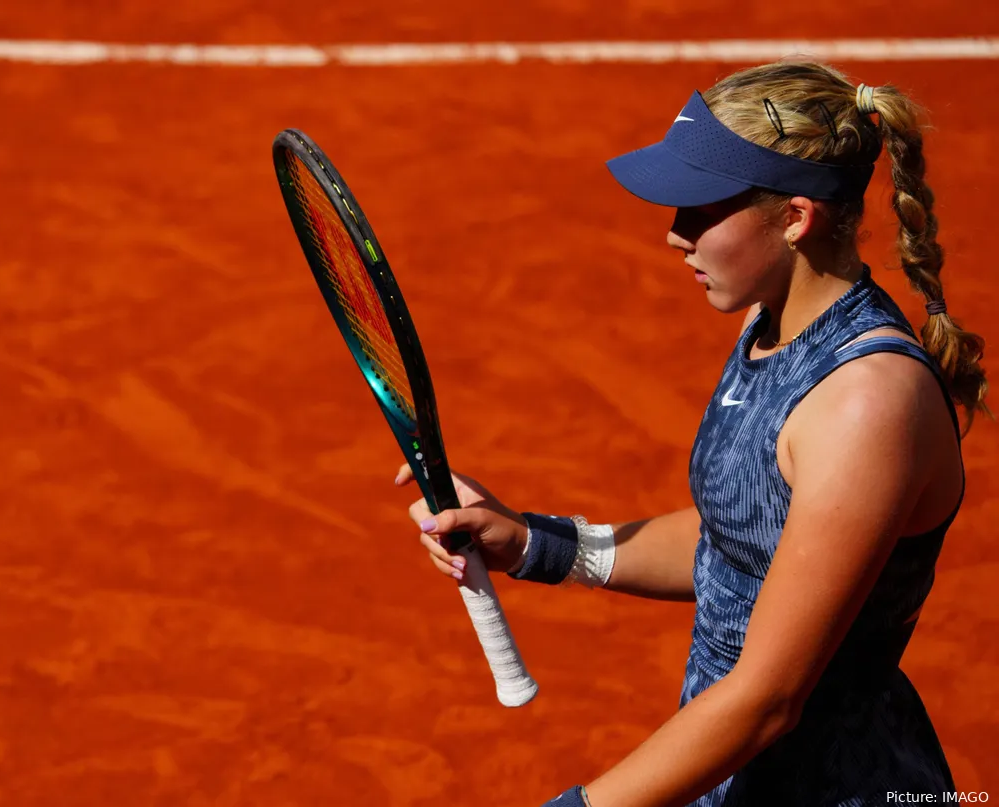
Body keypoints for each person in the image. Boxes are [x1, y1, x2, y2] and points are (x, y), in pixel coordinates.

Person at [397, 61, 988, 807]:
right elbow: (741, 540)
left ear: (795, 217)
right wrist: (535, 543)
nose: (675, 237)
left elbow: (767, 699)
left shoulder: (864, 405)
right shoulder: (771, 323)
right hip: (729, 771)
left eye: (699, 210)